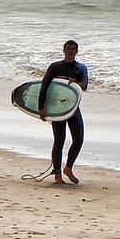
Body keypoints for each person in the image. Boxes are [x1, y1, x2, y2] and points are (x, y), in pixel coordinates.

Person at [38, 40, 90, 185]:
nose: (70, 51)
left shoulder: (81, 68)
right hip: (57, 109)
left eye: (73, 49)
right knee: (59, 140)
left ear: (77, 51)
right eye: (68, 48)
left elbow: (84, 85)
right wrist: (41, 107)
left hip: (72, 108)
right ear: (64, 50)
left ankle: (68, 168)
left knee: (78, 140)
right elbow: (44, 86)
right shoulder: (55, 67)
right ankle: (57, 175)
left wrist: (76, 83)